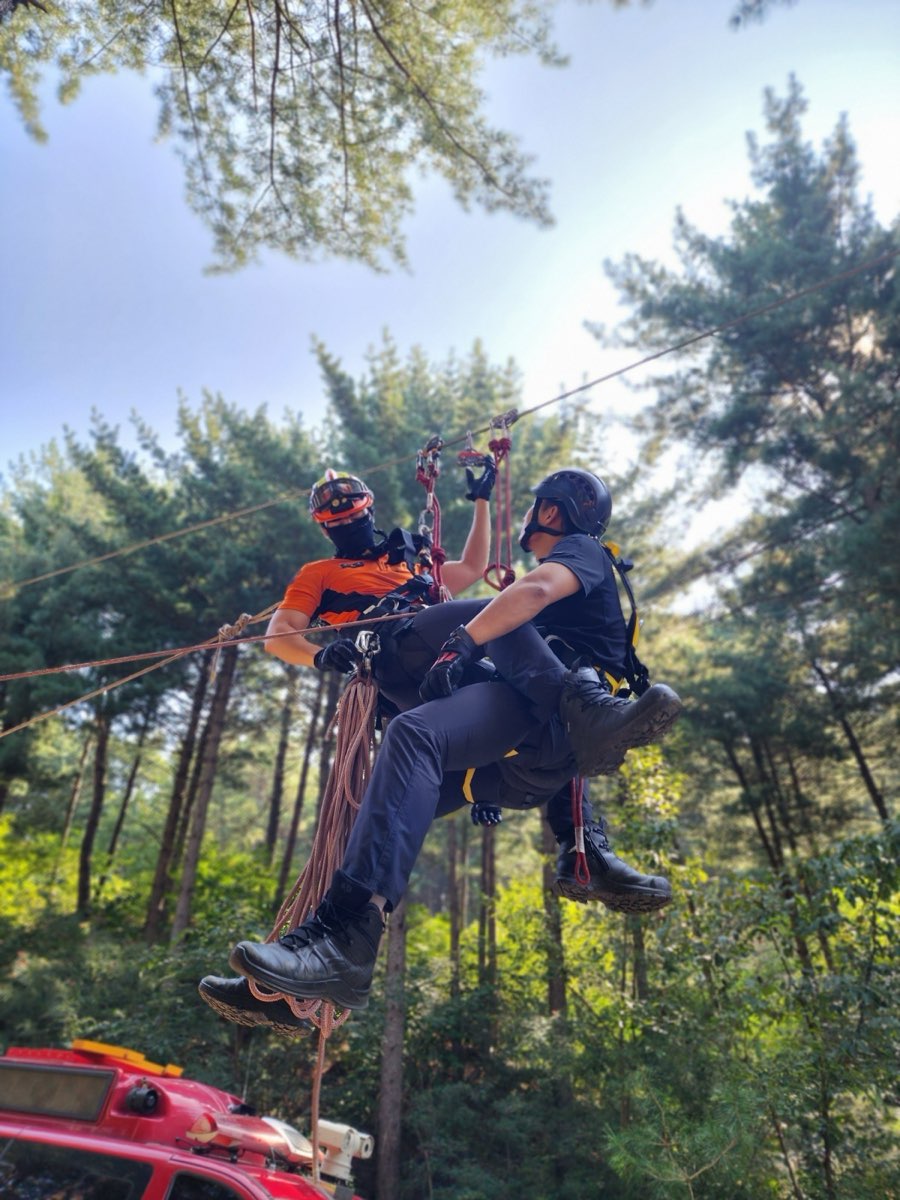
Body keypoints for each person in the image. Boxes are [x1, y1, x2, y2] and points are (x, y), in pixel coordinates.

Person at [222, 467, 682, 1013]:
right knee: (386, 785)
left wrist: (479, 509)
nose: (347, 519)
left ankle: (580, 815)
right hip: (442, 685)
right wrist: (323, 655)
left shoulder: (426, 561)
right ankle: (303, 975)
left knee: (492, 635)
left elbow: (476, 570)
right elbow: (279, 636)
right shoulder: (320, 573)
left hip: (475, 680)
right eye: (336, 512)